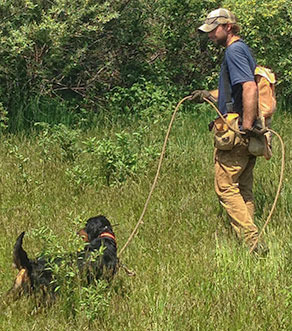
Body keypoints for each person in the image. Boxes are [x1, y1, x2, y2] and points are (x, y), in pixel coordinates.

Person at [192, 8, 263, 251]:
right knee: (243, 188)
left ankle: (251, 242)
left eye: (213, 30)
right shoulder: (242, 49)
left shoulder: (233, 51)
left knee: (225, 187)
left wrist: (244, 127)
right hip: (247, 131)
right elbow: (233, 93)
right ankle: (253, 240)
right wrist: (207, 96)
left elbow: (249, 88)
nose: (210, 35)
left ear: (228, 27)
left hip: (238, 133)